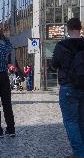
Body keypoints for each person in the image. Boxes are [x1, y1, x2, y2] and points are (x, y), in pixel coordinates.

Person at [52, 18, 84, 158]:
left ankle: (79, 153)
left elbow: (54, 64)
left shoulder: (61, 45)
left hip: (68, 87)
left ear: (68, 29)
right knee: (82, 121)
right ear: (80, 28)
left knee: (71, 122)